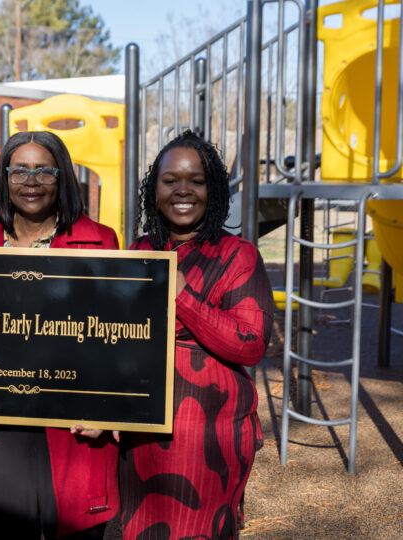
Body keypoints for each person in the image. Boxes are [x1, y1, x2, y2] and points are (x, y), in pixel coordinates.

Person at [0, 131, 120, 540]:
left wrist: (112, 407)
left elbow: (116, 335)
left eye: (44, 171)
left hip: (71, 422)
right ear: (4, 178)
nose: (31, 180)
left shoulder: (101, 242)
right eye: (19, 170)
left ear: (63, 178)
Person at [120, 130, 274, 540]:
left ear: (214, 189)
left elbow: (250, 344)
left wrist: (183, 295)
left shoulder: (238, 255)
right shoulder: (138, 251)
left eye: (197, 180)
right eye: (170, 181)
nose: (182, 190)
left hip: (209, 438)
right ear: (154, 191)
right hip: (142, 435)